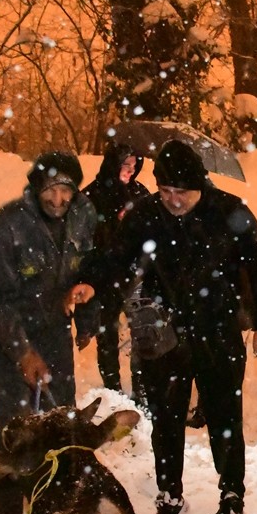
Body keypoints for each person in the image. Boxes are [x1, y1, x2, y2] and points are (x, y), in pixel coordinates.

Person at [98, 140, 257, 514]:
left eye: (182, 192)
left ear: (201, 186)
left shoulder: (230, 212)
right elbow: (116, 264)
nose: (173, 200)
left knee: (224, 415)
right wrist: (114, 299)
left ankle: (232, 492)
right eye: (165, 191)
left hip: (219, 330)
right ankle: (169, 493)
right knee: (165, 417)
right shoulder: (145, 216)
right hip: (165, 333)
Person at [0, 151, 98, 514]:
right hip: (4, 334)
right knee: (15, 430)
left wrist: (87, 306)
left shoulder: (84, 216)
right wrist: (22, 353)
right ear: (35, 188)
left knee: (62, 421)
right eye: (51, 190)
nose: (59, 200)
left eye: (66, 190)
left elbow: (92, 267)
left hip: (54, 326)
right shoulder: (5, 227)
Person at [81, 141, 151, 391]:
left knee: (143, 333)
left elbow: (153, 229)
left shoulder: (140, 193)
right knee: (107, 333)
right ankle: (113, 387)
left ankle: (142, 388)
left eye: (134, 165)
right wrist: (113, 221)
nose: (131, 170)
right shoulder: (92, 195)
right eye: (125, 164)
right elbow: (86, 239)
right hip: (106, 273)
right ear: (113, 164)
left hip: (137, 274)